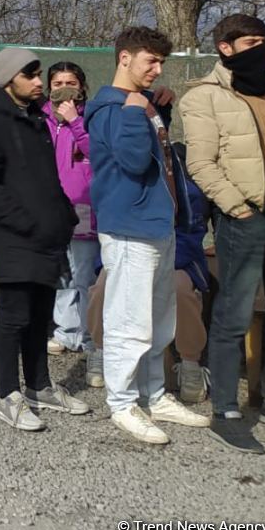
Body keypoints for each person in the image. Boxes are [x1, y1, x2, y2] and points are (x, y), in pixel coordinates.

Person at [86, 26, 209, 444]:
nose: (157, 70)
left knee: (159, 319)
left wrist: (158, 110)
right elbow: (135, 160)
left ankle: (153, 394)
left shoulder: (141, 103)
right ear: (124, 58)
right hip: (129, 230)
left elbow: (157, 156)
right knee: (128, 320)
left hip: (159, 225)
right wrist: (137, 111)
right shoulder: (110, 108)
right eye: (149, 61)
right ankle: (122, 403)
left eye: (161, 62)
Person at [0, 47, 90, 431]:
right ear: (8, 80)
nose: (40, 82)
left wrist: (63, 217)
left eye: (39, 74)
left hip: (48, 234)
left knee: (40, 317)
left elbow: (47, 178)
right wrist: (27, 222)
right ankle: (6, 396)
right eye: (31, 75)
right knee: (14, 316)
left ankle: (40, 387)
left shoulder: (35, 118)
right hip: (14, 235)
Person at [178, 13, 265, 453]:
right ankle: (226, 411)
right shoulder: (204, 97)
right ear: (226, 47)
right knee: (233, 312)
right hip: (245, 217)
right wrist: (237, 209)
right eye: (251, 42)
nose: (262, 49)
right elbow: (201, 164)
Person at [87, 143, 211, 409]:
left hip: (176, 260)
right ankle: (100, 350)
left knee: (180, 290)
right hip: (127, 256)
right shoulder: (120, 186)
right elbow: (107, 232)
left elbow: (191, 237)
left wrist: (153, 263)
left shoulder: (188, 193)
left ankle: (190, 363)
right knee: (102, 286)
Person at [44, 62, 98, 357]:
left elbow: (98, 154)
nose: (64, 88)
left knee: (84, 273)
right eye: (57, 82)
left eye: (71, 82)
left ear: (82, 86)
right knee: (62, 272)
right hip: (51, 204)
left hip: (83, 202)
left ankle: (90, 334)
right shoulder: (41, 117)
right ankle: (65, 332)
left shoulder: (91, 116)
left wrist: (75, 121)